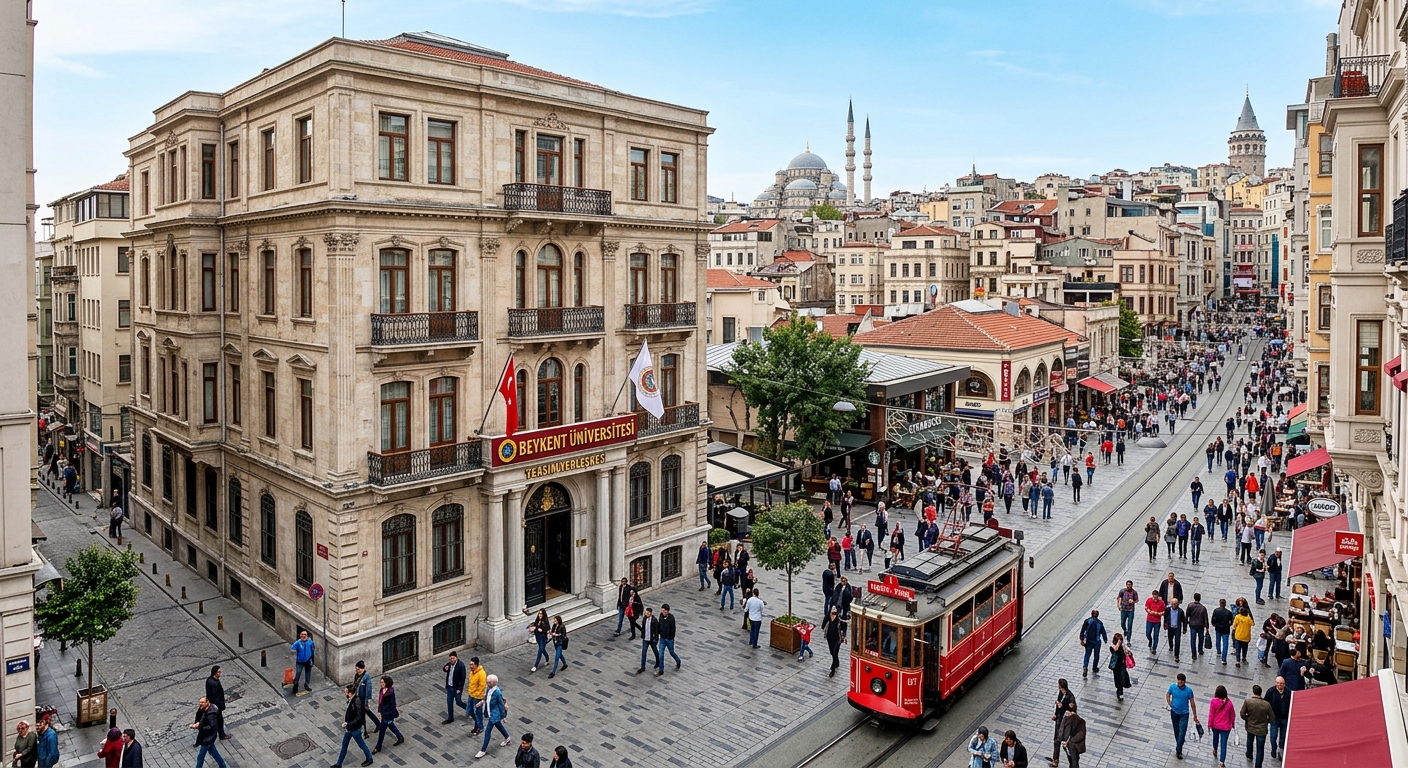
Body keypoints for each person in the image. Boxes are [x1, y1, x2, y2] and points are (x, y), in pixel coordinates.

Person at [332, 683, 373, 768]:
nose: (345, 693)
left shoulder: (356, 701)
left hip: (355, 729)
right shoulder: (351, 700)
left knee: (361, 744)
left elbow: (359, 716)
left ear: (350, 693)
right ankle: (338, 764)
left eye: (346, 692)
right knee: (344, 746)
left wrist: (348, 723)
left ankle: (369, 758)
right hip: (349, 728)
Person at [475, 674, 512, 759]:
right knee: (498, 725)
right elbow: (486, 697)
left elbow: (501, 705)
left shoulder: (498, 692)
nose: (487, 684)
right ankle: (507, 738)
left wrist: (503, 716)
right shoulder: (489, 689)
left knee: (488, 731)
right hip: (490, 712)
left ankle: (483, 750)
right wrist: (481, 702)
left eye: (488, 682)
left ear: (493, 683)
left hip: (494, 715)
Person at [1165, 673, 1200, 760]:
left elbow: (1192, 703)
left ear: (1184, 681)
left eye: (1181, 681)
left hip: (1184, 714)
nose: (1180, 682)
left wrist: (1195, 714)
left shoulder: (1189, 691)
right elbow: (1168, 694)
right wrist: (1169, 703)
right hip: (1174, 712)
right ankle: (1180, 743)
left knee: (1182, 732)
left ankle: (1178, 749)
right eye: (1178, 680)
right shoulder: (1172, 687)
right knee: (1177, 731)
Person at [1240, 685, 1273, 768]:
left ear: (1253, 692)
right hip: (1262, 730)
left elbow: (1242, 714)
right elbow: (1272, 718)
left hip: (1250, 727)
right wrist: (1266, 722)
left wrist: (1247, 719)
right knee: (1260, 749)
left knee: (1249, 741)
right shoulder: (1267, 704)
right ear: (1261, 693)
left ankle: (1249, 754)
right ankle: (1258, 765)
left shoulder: (1248, 701)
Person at [191, 697, 228, 768]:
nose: (200, 704)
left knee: (200, 757)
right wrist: (198, 723)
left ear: (207, 702)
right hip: (208, 738)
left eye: (202, 702)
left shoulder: (211, 714)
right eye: (200, 702)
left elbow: (212, 727)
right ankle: (223, 766)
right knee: (214, 753)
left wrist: (199, 727)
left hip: (207, 738)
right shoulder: (205, 709)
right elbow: (201, 717)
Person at [373, 676, 404, 754]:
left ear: (386, 683)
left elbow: (393, 703)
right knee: (391, 726)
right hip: (384, 712)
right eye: (380, 682)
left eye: (382, 682)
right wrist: (380, 711)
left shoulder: (390, 693)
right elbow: (380, 702)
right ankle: (400, 737)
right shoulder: (381, 690)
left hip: (388, 714)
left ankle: (378, 747)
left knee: (382, 730)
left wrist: (394, 713)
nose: (381, 684)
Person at [1048, 678, 1075, 767]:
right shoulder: (1060, 693)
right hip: (1059, 720)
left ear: (1061, 686)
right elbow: (1058, 704)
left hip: (1066, 723)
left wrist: (1064, 705)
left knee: (1066, 744)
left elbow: (1072, 708)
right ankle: (1055, 760)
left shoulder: (1070, 696)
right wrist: (1055, 714)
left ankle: (1073, 762)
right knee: (1056, 741)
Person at [1207, 685, 1235, 768]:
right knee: (1224, 744)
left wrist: (1209, 724)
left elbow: (1211, 714)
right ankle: (1222, 762)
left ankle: (1215, 749)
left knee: (1215, 738)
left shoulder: (1213, 701)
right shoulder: (1229, 703)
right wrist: (1232, 724)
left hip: (1215, 725)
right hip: (1226, 727)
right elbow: (1232, 715)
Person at [1265, 677, 1291, 760]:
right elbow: (1266, 704)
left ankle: (1281, 751)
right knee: (1273, 736)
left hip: (1284, 718)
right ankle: (1273, 748)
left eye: (1281, 683)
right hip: (1274, 718)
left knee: (1283, 736)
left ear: (1284, 683)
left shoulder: (1288, 692)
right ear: (1275, 683)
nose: (1279, 685)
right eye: (1278, 683)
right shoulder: (1270, 691)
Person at [353, 660, 379, 736]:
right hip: (357, 698)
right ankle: (376, 724)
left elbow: (368, 690)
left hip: (363, 699)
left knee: (364, 712)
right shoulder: (357, 675)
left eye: (359, 669)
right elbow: (354, 684)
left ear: (363, 668)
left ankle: (373, 725)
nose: (358, 671)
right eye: (356, 669)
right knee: (363, 712)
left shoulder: (366, 677)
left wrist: (366, 702)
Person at [1078, 609, 1107, 677]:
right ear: (1098, 615)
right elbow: (1103, 631)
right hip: (1097, 642)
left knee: (1087, 654)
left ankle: (1085, 667)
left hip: (1088, 641)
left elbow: (1082, 630)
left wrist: (1082, 639)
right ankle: (1094, 667)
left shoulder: (1087, 621)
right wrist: (1105, 639)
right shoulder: (1099, 623)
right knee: (1096, 655)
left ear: (1091, 614)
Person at [1058, 701, 1086, 768]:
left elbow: (1081, 734)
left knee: (1074, 762)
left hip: (1074, 745)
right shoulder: (1066, 718)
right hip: (1067, 744)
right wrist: (1062, 740)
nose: (1067, 714)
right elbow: (1062, 728)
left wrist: (1070, 741)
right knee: (1070, 759)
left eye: (1068, 712)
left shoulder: (1080, 721)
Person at [442, 651, 467, 724]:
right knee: (449, 703)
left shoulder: (461, 666)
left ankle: (469, 709)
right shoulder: (449, 664)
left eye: (453, 658)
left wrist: (460, 688)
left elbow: (463, 678)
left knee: (458, 702)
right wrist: (445, 668)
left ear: (456, 658)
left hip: (456, 688)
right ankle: (450, 718)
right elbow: (444, 668)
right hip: (449, 687)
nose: (451, 660)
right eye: (450, 659)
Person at [206, 665, 230, 740]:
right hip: (216, 706)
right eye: (219, 672)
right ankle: (221, 735)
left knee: (217, 720)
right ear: (215, 673)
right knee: (219, 721)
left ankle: (219, 734)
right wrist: (218, 706)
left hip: (213, 705)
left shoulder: (209, 680)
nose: (220, 673)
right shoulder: (214, 683)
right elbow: (214, 696)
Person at [635, 606, 660, 674]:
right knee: (643, 652)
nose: (647, 614)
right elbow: (643, 628)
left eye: (648, 613)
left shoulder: (654, 620)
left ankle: (658, 662)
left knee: (655, 651)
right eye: (646, 613)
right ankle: (642, 667)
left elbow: (657, 631)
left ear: (651, 613)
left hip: (652, 639)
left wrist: (656, 639)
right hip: (645, 639)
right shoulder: (644, 619)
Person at [1185, 593, 1210, 662]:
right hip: (1200, 625)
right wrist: (1207, 627)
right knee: (1201, 638)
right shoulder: (1203, 608)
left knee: (1193, 640)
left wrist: (1186, 623)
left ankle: (1193, 654)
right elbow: (1205, 618)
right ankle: (1200, 649)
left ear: (1194, 598)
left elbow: (1187, 615)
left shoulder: (1190, 605)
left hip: (1192, 625)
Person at [291, 629, 315, 696]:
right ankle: (295, 687)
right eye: (302, 634)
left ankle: (306, 685)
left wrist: (312, 660)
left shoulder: (310, 642)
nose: (303, 636)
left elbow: (313, 650)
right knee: (298, 674)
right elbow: (292, 648)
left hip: (308, 660)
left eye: (305, 635)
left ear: (307, 636)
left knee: (308, 673)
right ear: (300, 635)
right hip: (300, 662)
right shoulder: (298, 643)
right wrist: (294, 651)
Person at [657, 604, 681, 674]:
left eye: (664, 611)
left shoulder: (671, 618)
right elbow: (659, 625)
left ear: (667, 611)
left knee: (671, 652)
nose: (663, 612)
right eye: (662, 611)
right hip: (662, 638)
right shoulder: (661, 616)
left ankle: (678, 661)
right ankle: (661, 670)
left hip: (669, 639)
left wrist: (671, 637)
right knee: (661, 654)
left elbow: (673, 629)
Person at [1108, 633, 1132, 701]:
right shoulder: (1112, 646)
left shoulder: (1122, 646)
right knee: (1118, 679)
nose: (1121, 641)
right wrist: (1118, 643)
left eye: (1121, 640)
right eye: (1119, 640)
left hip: (1122, 664)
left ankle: (1120, 691)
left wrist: (1126, 650)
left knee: (1123, 677)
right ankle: (1119, 691)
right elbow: (1115, 649)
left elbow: (1126, 652)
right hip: (1116, 666)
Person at [466, 657, 487, 734]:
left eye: (472, 664)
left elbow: (482, 686)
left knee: (478, 713)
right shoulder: (472, 672)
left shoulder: (482, 674)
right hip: (471, 695)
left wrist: (476, 695)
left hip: (478, 697)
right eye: (470, 664)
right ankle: (478, 725)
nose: (470, 666)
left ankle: (479, 727)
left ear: (476, 665)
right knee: (469, 711)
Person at [1211, 598, 1234, 664]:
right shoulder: (1229, 613)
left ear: (1220, 603)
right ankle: (1224, 659)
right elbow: (1231, 622)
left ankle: (1218, 651)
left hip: (1218, 628)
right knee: (1225, 644)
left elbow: (1213, 620)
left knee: (1218, 640)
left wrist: (1214, 624)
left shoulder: (1216, 611)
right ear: (1225, 604)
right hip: (1226, 629)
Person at [823, 606, 844, 677]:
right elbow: (823, 625)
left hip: (837, 640)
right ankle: (837, 662)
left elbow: (843, 630)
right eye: (831, 613)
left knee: (834, 653)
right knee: (832, 652)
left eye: (834, 613)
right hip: (829, 639)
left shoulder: (839, 621)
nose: (833, 615)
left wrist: (843, 637)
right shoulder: (828, 620)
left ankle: (832, 669)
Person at [1163, 597, 1185, 662]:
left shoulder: (1180, 611)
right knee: (1170, 638)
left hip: (1177, 628)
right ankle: (1171, 646)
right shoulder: (1168, 610)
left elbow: (1184, 620)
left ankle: (1176, 655)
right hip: (1170, 627)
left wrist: (1184, 628)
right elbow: (1165, 617)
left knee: (1177, 642)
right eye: (1172, 604)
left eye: (1175, 604)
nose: (1174, 605)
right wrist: (1165, 624)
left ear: (1178, 604)